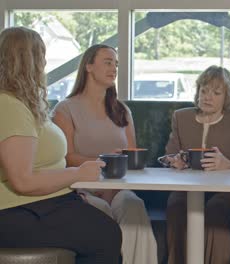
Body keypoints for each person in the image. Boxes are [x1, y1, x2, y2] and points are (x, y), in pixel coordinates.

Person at [0, 27, 122, 264]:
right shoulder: (8, 105)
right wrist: (77, 173)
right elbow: (22, 180)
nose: (44, 63)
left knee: (105, 227)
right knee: (105, 236)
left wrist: (68, 190)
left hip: (41, 202)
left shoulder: (23, 103)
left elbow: (40, 166)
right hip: (15, 211)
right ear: (29, 60)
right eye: (41, 56)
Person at [52, 44, 157, 264]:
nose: (114, 68)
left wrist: (114, 186)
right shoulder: (65, 109)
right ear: (88, 66)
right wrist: (105, 162)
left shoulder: (121, 110)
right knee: (99, 210)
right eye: (108, 62)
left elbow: (132, 157)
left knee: (134, 207)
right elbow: (67, 157)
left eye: (116, 64)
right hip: (82, 188)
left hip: (118, 187)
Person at [164, 65, 230, 264]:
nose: (207, 97)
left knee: (216, 208)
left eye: (216, 92)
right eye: (204, 90)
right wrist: (174, 161)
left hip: (229, 193)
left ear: (227, 96)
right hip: (187, 189)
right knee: (176, 205)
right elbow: (168, 155)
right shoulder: (181, 117)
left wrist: (227, 164)